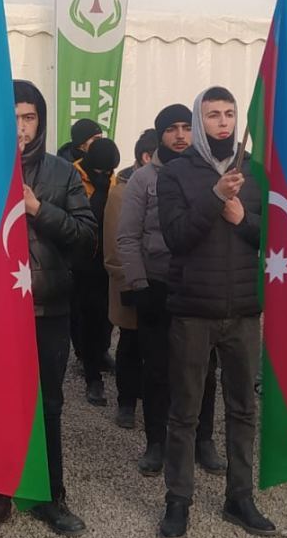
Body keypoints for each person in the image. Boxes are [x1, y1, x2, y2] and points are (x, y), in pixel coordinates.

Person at [0, 81, 98, 537]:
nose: (19, 127)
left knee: (48, 404)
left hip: (46, 307)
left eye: (28, 117)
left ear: (41, 121)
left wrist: (38, 208)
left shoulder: (63, 172)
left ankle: (50, 495)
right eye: (9, 118)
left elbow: (86, 237)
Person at [155, 87, 272, 538]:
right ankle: (178, 499)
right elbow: (176, 236)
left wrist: (243, 219)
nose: (223, 123)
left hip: (243, 311)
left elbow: (267, 238)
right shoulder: (176, 173)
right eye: (212, 115)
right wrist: (214, 196)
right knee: (184, 410)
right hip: (193, 309)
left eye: (229, 114)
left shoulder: (256, 174)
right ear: (197, 120)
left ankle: (238, 496)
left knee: (243, 409)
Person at [116, 103, 220, 478]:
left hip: (199, 285)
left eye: (185, 127)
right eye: (172, 128)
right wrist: (139, 284)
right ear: (159, 134)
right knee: (157, 369)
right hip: (157, 286)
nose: (180, 135)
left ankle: (202, 440)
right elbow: (127, 237)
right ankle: (156, 442)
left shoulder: (209, 173)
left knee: (204, 369)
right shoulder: (143, 179)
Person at [105, 130, 158, 429]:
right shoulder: (121, 191)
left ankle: (151, 398)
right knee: (131, 343)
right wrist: (130, 283)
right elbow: (115, 243)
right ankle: (126, 401)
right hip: (130, 282)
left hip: (161, 282)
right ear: (146, 157)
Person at [72, 136, 121, 406]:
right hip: (83, 262)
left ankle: (102, 351)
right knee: (88, 316)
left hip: (110, 260)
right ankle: (92, 374)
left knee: (108, 315)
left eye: (109, 170)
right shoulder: (74, 177)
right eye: (100, 171)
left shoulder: (116, 181)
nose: (105, 175)